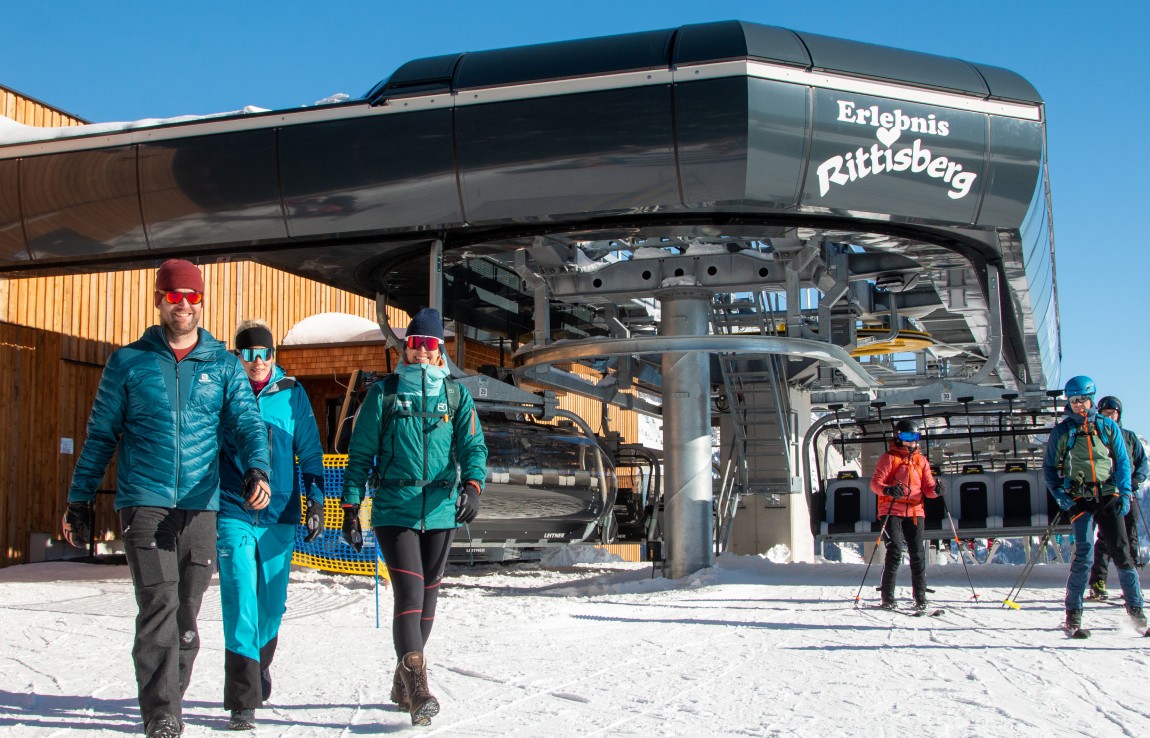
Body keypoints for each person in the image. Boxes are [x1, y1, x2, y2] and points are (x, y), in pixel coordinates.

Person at [62, 259, 271, 738]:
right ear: (159, 299)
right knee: (157, 605)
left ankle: (169, 697)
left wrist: (257, 467)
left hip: (202, 504)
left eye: (192, 296)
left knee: (186, 615)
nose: (183, 304)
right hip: (146, 499)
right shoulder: (128, 361)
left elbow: (246, 423)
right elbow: (100, 435)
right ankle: (161, 712)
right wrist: (80, 499)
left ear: (201, 302)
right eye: (174, 295)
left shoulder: (222, 364)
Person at [340, 308, 488, 726]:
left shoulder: (455, 395)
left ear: (439, 349)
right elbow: (360, 455)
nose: (421, 351)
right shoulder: (384, 394)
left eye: (429, 344)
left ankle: (401, 678)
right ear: (404, 347)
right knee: (410, 591)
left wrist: (473, 486)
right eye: (414, 343)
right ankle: (419, 687)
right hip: (395, 508)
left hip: (441, 510)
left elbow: (473, 446)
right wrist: (351, 508)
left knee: (429, 598)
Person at [216, 320, 326, 731]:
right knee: (240, 595)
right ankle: (242, 698)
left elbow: (311, 453)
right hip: (234, 509)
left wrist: (316, 502)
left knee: (272, 605)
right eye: (248, 354)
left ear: (273, 356)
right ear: (237, 356)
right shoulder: (226, 393)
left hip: (280, 513)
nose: (257, 362)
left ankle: (259, 664)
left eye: (264, 354)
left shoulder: (292, 394)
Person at [1043, 376, 1146, 634]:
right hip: (1079, 499)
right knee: (1084, 554)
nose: (1078, 405)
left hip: (1109, 496)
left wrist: (1124, 493)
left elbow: (1122, 461)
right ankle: (1073, 614)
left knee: (1122, 553)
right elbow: (1049, 468)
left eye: (1082, 399)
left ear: (1091, 399)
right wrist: (1060, 495)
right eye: (1073, 400)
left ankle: (1137, 612)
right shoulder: (1063, 432)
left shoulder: (1107, 427)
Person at [869, 418, 940, 611]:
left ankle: (920, 596)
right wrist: (889, 490)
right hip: (891, 509)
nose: (911, 441)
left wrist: (938, 490)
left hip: (915, 511)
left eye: (915, 437)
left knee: (917, 553)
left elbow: (928, 489)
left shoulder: (921, 461)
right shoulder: (889, 458)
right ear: (898, 437)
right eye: (907, 436)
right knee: (895, 550)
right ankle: (888, 596)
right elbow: (875, 484)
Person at [1088, 395, 1149, 600]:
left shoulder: (1129, 437)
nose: (1108, 417)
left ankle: (1131, 586)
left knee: (1130, 537)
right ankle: (1098, 582)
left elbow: (1142, 463)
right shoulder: (1096, 436)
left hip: (1127, 493)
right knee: (1105, 538)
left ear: (1118, 414)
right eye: (1104, 414)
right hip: (1106, 494)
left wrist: (1135, 481)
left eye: (1112, 413)